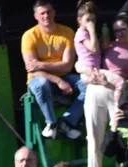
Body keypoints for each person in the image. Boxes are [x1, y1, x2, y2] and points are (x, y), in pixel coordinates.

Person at [86, 15, 128, 167]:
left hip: (117, 94)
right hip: (96, 90)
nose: (119, 33)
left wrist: (116, 83)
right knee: (93, 138)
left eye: (123, 30)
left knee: (119, 136)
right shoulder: (107, 46)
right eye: (116, 30)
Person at [22, 0, 82, 141]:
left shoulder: (67, 32)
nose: (46, 16)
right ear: (36, 16)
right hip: (40, 79)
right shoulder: (29, 36)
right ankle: (52, 123)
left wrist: (40, 64)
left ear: (54, 13)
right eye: (42, 13)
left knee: (88, 85)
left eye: (49, 12)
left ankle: (67, 122)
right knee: (41, 84)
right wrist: (58, 80)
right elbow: (32, 70)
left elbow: (68, 65)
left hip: (65, 76)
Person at [75, 3, 126, 132]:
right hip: (90, 71)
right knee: (119, 82)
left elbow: (98, 50)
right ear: (79, 20)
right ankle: (116, 108)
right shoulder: (82, 34)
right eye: (87, 20)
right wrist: (92, 30)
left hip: (94, 70)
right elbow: (93, 49)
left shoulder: (88, 34)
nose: (91, 23)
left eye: (93, 20)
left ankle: (113, 115)